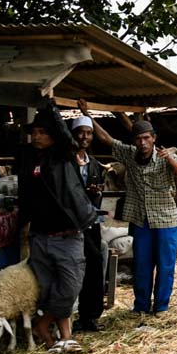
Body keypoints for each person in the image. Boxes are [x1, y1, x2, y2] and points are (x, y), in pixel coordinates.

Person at [77, 99, 177, 314]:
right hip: (140, 219)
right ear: (134, 141)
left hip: (165, 219)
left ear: (153, 139)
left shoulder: (166, 156)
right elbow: (106, 139)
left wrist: (171, 159)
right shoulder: (129, 154)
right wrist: (87, 113)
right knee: (142, 265)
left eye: (146, 138)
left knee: (165, 265)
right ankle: (141, 306)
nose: (143, 142)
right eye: (138, 139)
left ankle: (161, 306)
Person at [17, 101, 97, 354]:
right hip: (40, 235)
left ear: (53, 135)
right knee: (49, 287)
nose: (36, 136)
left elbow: (64, 135)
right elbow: (25, 195)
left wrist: (49, 106)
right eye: (34, 132)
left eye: (42, 132)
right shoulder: (29, 159)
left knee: (70, 286)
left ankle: (43, 324)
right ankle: (62, 338)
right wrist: (22, 227)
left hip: (67, 233)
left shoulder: (64, 155)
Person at [71, 116, 106, 332]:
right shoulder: (65, 163)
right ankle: (65, 316)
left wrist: (96, 193)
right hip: (70, 224)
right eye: (81, 132)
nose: (85, 137)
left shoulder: (93, 164)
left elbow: (97, 195)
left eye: (89, 133)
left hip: (91, 222)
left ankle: (90, 316)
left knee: (94, 264)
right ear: (73, 134)